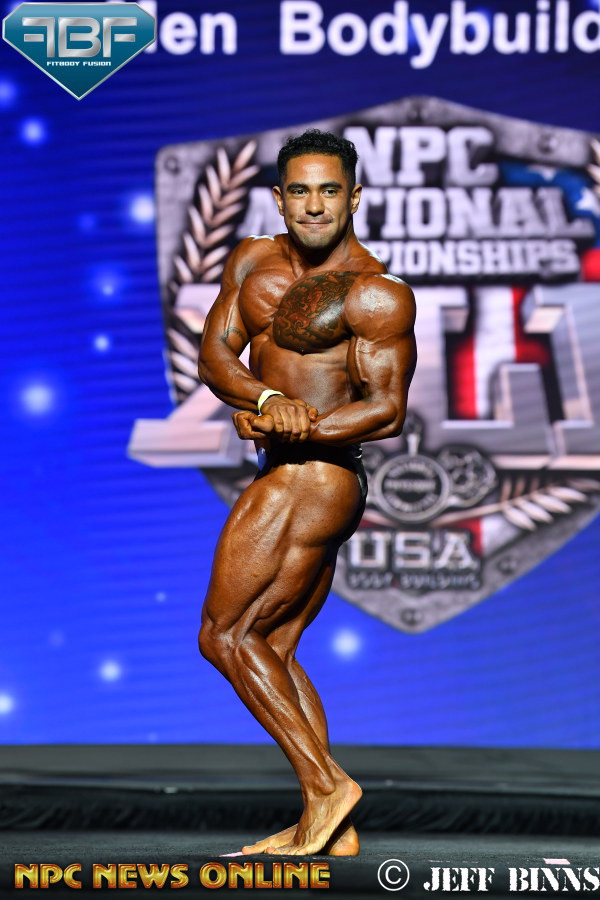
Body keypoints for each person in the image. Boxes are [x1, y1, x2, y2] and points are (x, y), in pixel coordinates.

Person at [197, 129, 417, 857]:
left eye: (330, 191)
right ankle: (332, 828)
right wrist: (266, 399)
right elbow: (215, 355)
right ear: (279, 197)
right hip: (286, 470)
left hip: (317, 475)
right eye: (300, 190)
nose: (314, 205)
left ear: (354, 197)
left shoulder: (376, 292)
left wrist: (301, 423)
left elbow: (387, 409)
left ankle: (327, 788)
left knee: (225, 634)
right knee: (274, 644)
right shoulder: (251, 260)